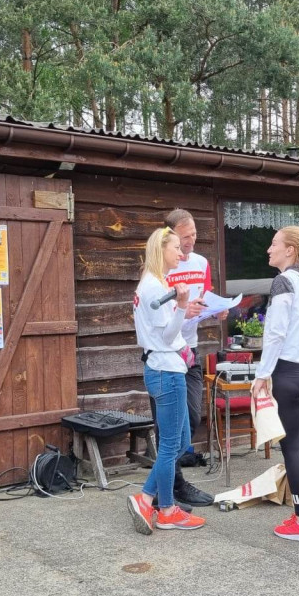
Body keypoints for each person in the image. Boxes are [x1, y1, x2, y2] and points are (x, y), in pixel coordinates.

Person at [128, 227, 206, 535]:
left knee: (181, 442)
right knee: (172, 444)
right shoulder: (153, 287)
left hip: (165, 365)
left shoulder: (154, 283)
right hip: (165, 370)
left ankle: (148, 498)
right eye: (177, 248)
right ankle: (165, 509)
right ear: (161, 249)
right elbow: (167, 335)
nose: (182, 253)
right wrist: (183, 305)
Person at [251, 226, 299, 543]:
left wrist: (261, 374)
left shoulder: (284, 282)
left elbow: (276, 334)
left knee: (292, 446)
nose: (269, 249)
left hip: (289, 373)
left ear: (290, 251)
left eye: (274, 244)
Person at [150, 208, 219, 506]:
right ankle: (172, 487)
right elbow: (162, 320)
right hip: (166, 354)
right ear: (170, 236)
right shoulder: (159, 271)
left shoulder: (202, 262)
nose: (191, 241)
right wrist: (182, 310)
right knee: (170, 429)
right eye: (185, 237)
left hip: (190, 349)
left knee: (190, 418)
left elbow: (203, 298)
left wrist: (215, 308)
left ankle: (156, 489)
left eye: (194, 235)